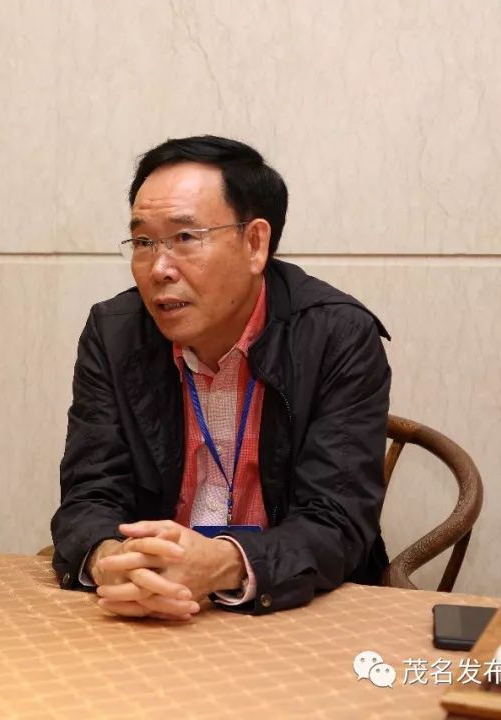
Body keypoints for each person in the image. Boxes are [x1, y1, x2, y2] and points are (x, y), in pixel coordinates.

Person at [51, 135, 391, 618]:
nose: (159, 268)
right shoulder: (114, 333)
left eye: (185, 238)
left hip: (289, 608)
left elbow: (336, 521)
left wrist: (226, 564)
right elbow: (89, 494)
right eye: (144, 241)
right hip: (149, 614)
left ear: (255, 244)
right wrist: (113, 561)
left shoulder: (336, 335)